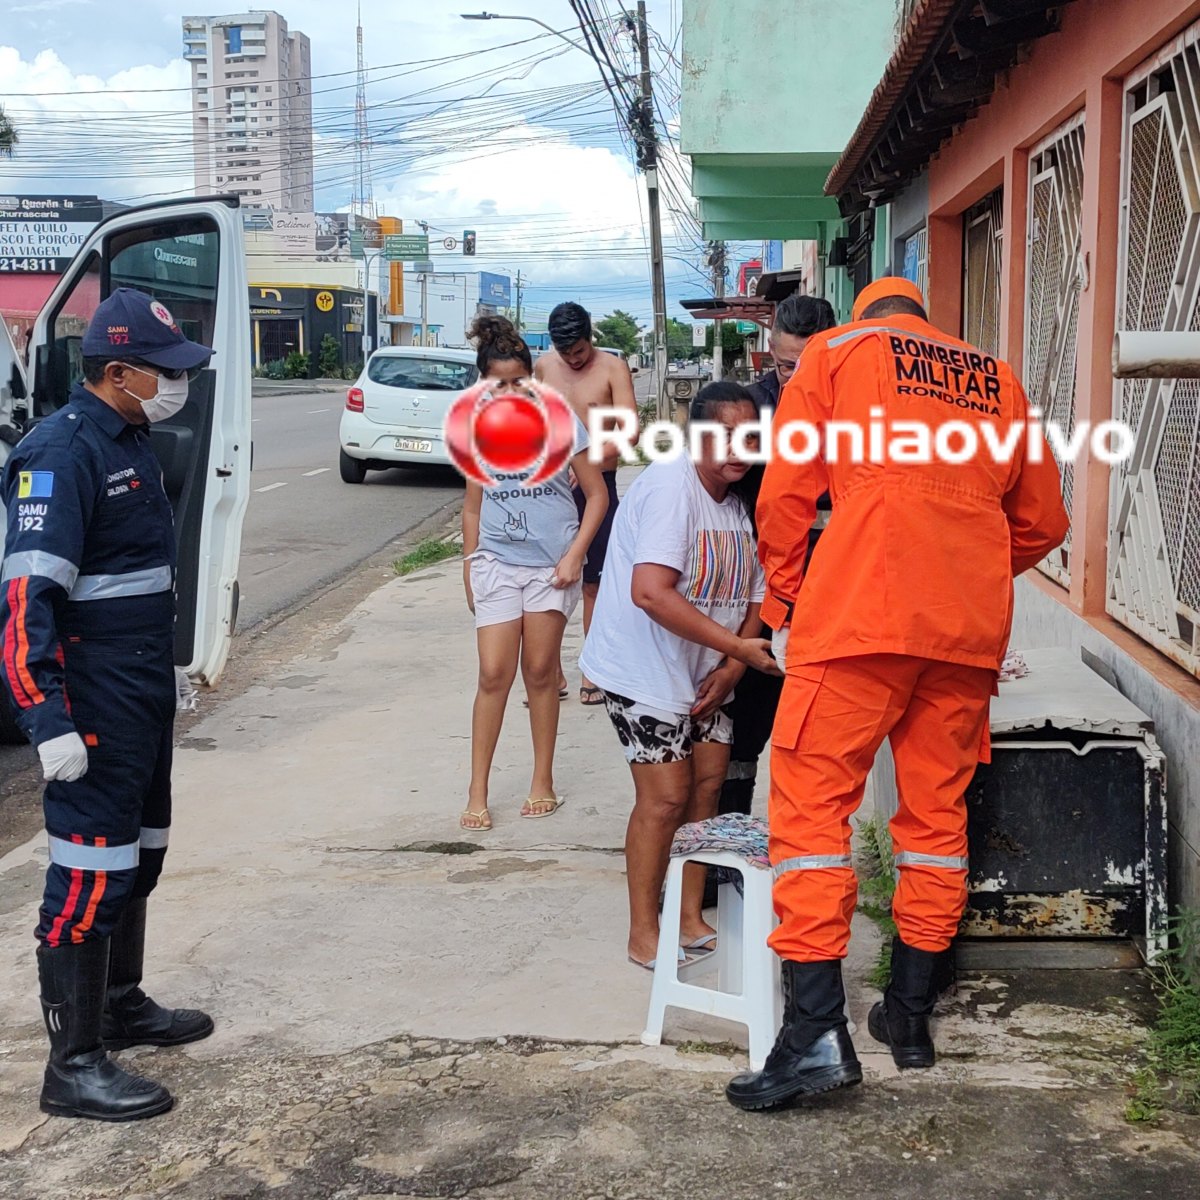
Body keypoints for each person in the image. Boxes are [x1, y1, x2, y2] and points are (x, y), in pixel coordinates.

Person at [725, 278, 1069, 1112]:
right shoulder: (997, 375)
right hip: (963, 636)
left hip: (860, 621)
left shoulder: (837, 354)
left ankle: (813, 1033)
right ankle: (909, 1017)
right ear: (921, 319)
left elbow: (785, 493)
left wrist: (787, 600)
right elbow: (1045, 523)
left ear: (864, 315)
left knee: (810, 818)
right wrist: (968, 568)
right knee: (936, 822)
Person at [0, 288, 218, 1121]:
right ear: (117, 370)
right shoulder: (61, 454)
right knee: (87, 882)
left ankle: (119, 1004)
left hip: (139, 698)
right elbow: (25, 606)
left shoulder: (128, 434)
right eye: (164, 373)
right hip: (88, 708)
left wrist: (169, 670)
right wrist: (45, 720)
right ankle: (74, 1064)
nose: (177, 386)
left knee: (141, 860)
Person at [580, 382, 781, 969]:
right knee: (665, 799)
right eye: (722, 435)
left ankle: (691, 915)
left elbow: (754, 590)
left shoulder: (738, 498)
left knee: (708, 790)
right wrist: (741, 651)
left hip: (706, 673)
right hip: (641, 669)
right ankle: (644, 929)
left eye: (748, 436)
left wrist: (731, 667)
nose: (736, 449)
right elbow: (650, 592)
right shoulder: (673, 488)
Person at [460, 315, 609, 831]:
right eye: (497, 384)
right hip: (496, 563)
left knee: (541, 674)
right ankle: (477, 790)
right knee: (492, 673)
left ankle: (542, 780)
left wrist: (575, 557)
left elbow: (597, 497)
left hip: (552, 568)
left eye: (518, 382)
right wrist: (468, 562)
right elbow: (473, 506)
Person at [720, 294, 838, 823]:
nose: (795, 378)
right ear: (770, 354)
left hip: (836, 588)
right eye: (786, 365)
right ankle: (728, 838)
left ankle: (800, 833)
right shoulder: (749, 409)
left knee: (818, 731)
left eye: (808, 365)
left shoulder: (855, 408)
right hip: (759, 587)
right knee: (746, 718)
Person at [535, 301, 639, 705]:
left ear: (590, 337)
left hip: (599, 484)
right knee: (550, 579)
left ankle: (590, 671)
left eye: (579, 350)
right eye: (566, 353)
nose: (574, 360)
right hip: (553, 487)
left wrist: (588, 462)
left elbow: (629, 431)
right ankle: (551, 673)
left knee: (594, 582)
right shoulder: (544, 367)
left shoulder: (613, 368)